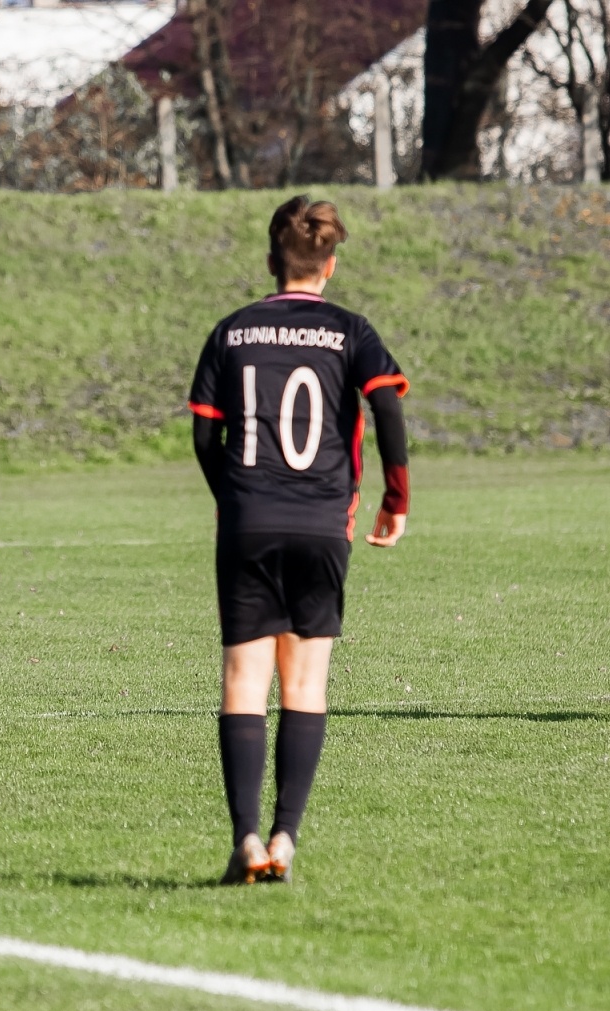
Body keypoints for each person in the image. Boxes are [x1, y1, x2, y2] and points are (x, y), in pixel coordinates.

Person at [188, 196, 411, 883]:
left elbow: (204, 431)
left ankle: (246, 840)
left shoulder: (233, 330)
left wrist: (235, 497)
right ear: (331, 265)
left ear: (269, 261)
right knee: (305, 682)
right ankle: (286, 837)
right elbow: (388, 405)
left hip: (249, 521)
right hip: (322, 526)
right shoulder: (352, 331)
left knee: (244, 682)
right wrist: (395, 498)